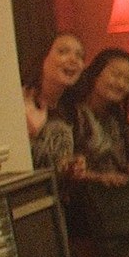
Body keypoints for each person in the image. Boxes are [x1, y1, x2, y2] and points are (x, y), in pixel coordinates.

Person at [41, 48, 129, 189]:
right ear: (96, 74)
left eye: (127, 79)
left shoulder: (116, 115)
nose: (121, 84)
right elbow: (59, 167)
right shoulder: (71, 113)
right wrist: (99, 178)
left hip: (115, 194)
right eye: (115, 75)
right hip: (82, 196)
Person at [25, 32, 84, 170]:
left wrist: (72, 165)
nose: (74, 60)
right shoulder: (19, 101)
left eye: (79, 56)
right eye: (63, 52)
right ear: (43, 58)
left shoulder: (72, 110)